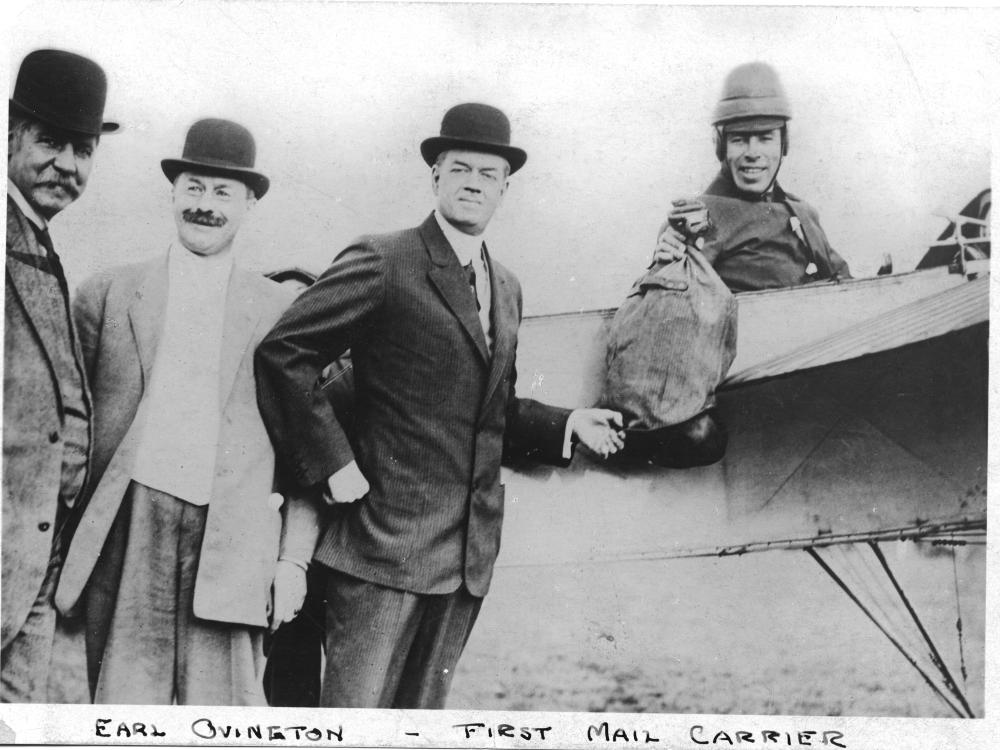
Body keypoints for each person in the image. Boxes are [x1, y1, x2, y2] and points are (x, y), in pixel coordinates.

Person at [255, 102, 625, 709]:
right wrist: (332, 463)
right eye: (460, 169)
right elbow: (284, 353)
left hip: (464, 562)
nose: (473, 184)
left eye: (488, 174)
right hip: (380, 553)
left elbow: (487, 407)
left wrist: (566, 422)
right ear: (435, 176)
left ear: (505, 188)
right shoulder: (385, 259)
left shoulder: (505, 285)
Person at [53, 118, 320, 705]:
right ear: (173, 192)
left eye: (223, 192)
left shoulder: (283, 311)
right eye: (193, 187)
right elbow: (66, 432)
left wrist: (293, 561)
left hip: (234, 549)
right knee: (125, 723)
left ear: (250, 203)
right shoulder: (107, 295)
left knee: (226, 729)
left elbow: (312, 447)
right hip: (129, 540)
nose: (205, 205)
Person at [3, 48, 118, 703]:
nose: (67, 165)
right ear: (11, 134)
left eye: (83, 150)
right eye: (50, 142)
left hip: (31, 559)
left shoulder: (37, 237)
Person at [655, 61, 851, 290]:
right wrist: (667, 263)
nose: (753, 153)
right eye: (739, 139)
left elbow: (848, 290)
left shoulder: (804, 213)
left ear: (783, 144)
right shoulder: (696, 220)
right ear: (721, 147)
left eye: (765, 138)